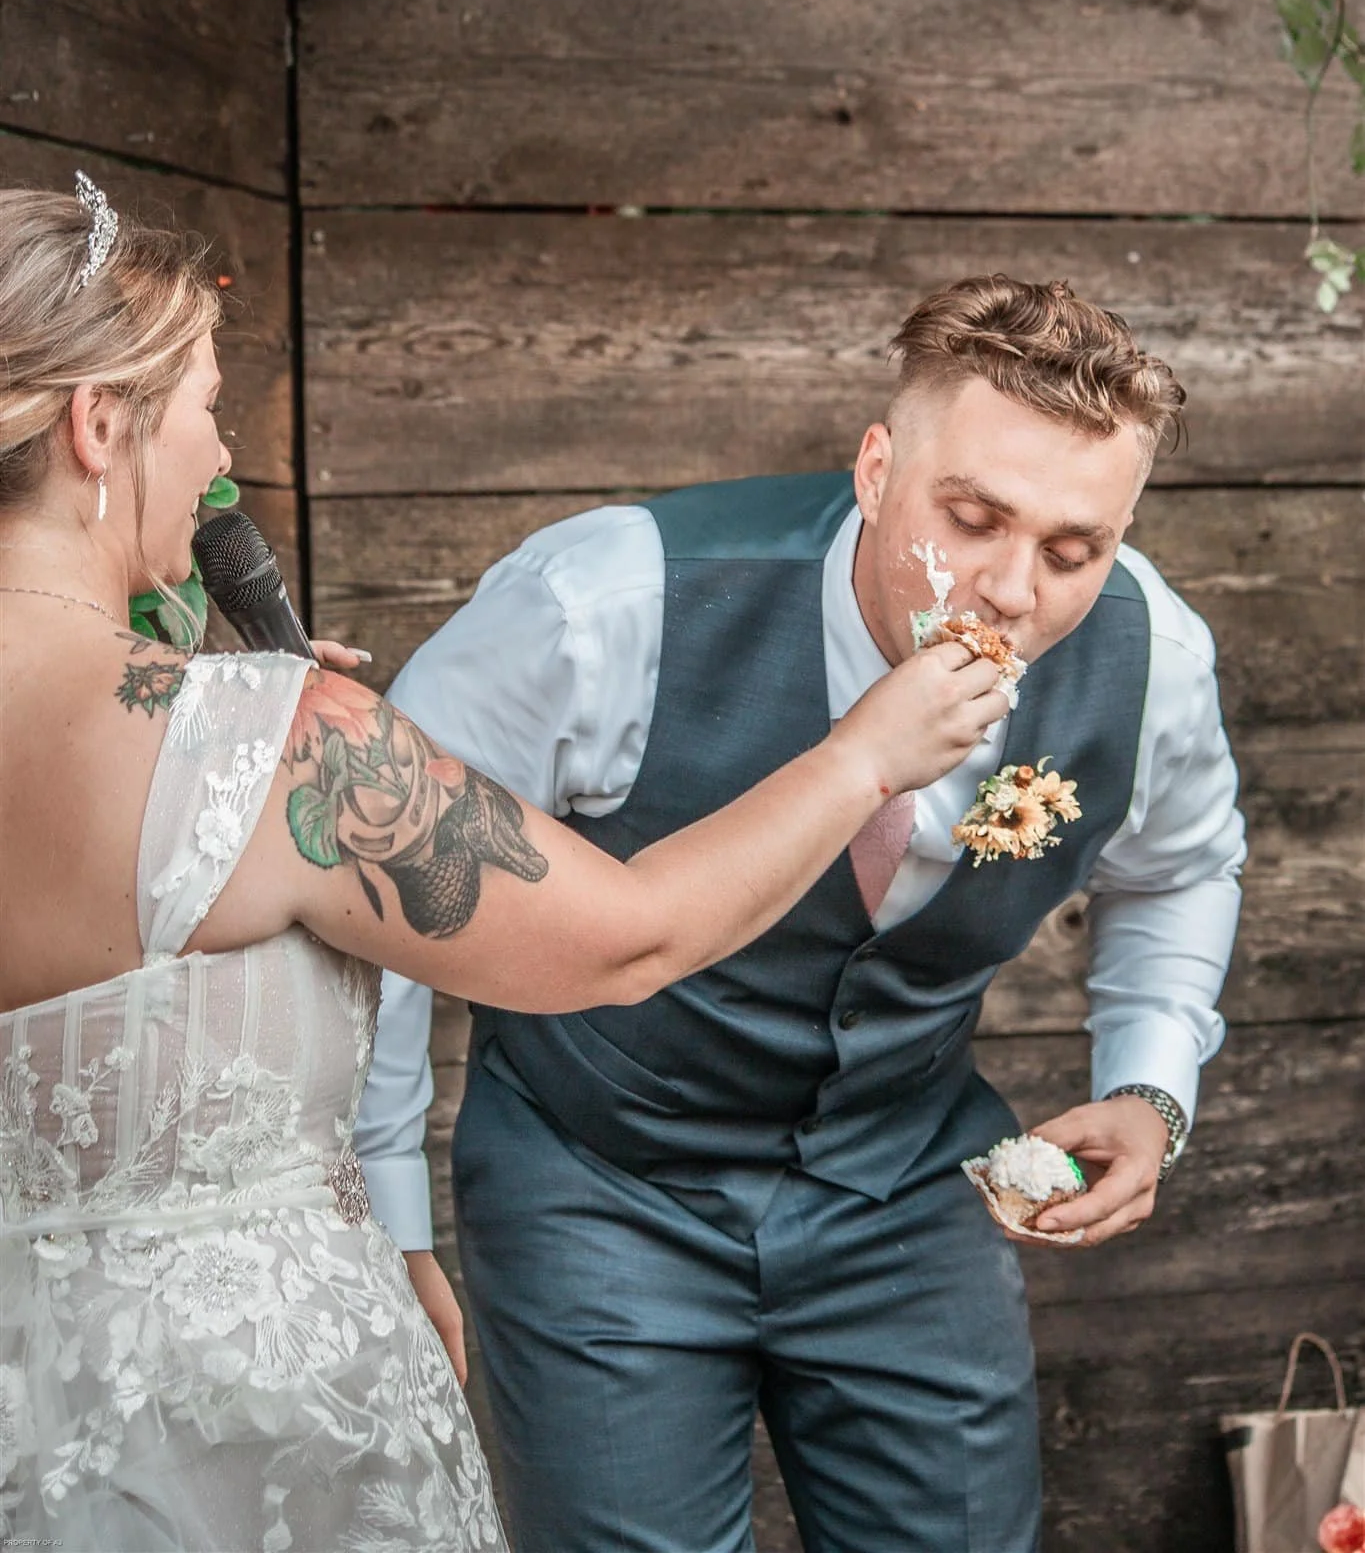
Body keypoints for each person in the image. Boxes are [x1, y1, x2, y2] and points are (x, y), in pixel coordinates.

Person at [0, 182, 1007, 1553]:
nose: (219, 455)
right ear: (96, 425)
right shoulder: (280, 743)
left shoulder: (242, 714)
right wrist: (865, 758)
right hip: (236, 1438)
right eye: (204, 407)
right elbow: (629, 938)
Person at [356, 272, 1246, 1553]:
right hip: (599, 1179)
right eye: (976, 516)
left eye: (1072, 549)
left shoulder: (1150, 651)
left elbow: (1182, 864)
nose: (1010, 591)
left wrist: (1154, 1083)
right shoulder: (600, 608)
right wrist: (385, 1214)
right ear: (878, 467)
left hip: (906, 1174)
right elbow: (388, 897)